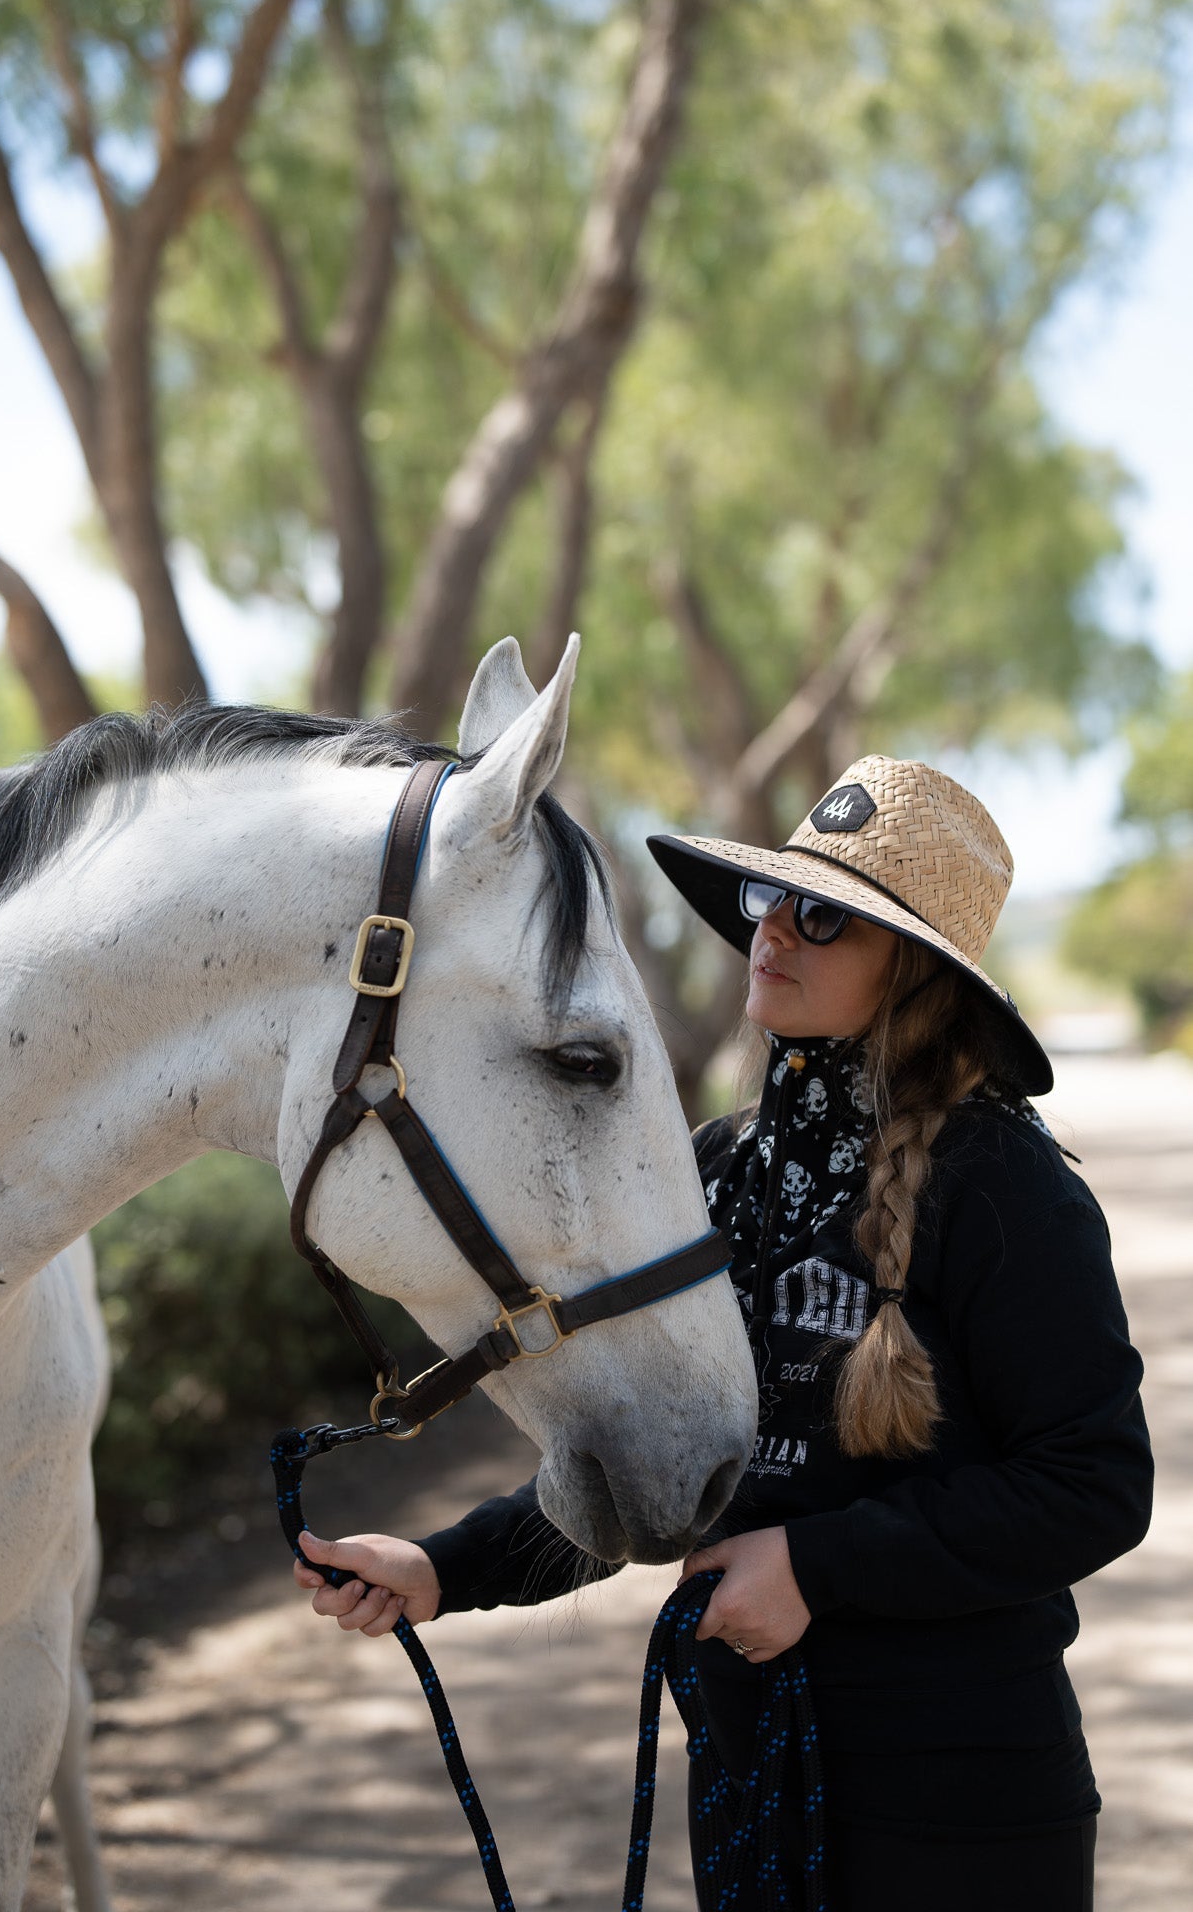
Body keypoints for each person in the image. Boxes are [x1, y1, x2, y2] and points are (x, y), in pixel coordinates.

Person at [293, 755, 1152, 1912]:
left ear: (915, 970)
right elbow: (664, 1455)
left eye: (825, 916)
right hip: (753, 1783)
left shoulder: (1005, 1186)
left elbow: (1094, 1481)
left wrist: (815, 1567)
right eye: (770, 899)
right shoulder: (712, 1170)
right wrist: (446, 1566)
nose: (773, 933)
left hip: (963, 1806)